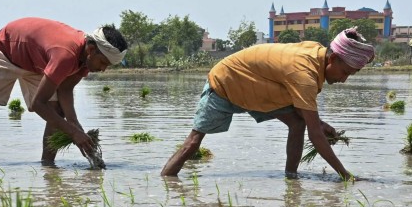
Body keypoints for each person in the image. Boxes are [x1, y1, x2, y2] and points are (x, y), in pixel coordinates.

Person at [160, 27, 376, 180]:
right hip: (226, 82)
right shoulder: (305, 74)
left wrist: (319, 123)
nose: (344, 79)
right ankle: (166, 181)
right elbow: (315, 136)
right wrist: (345, 176)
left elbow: (306, 116)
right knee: (192, 144)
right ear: (333, 59)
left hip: (258, 89)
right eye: (345, 72)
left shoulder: (315, 53)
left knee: (297, 123)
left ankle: (291, 178)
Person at [0, 18, 127, 167]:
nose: (103, 70)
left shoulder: (85, 60)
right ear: (91, 49)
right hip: (7, 51)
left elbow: (65, 89)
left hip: (37, 62)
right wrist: (73, 132)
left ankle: (47, 166)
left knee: (57, 109)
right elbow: (36, 105)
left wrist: (75, 125)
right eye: (103, 63)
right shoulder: (66, 55)